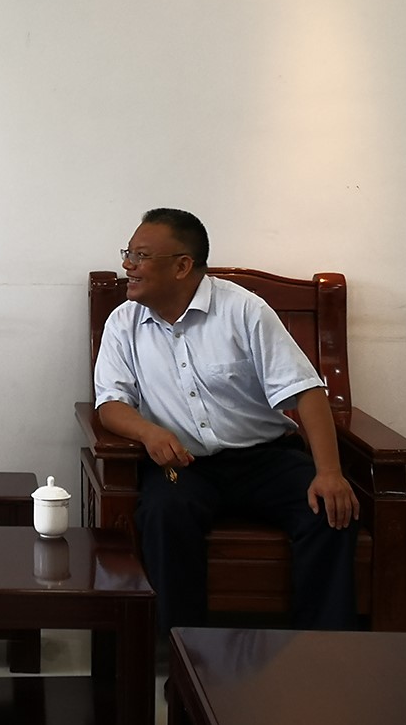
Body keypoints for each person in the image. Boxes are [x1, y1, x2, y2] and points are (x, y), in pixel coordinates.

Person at [94, 207, 358, 633]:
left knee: (329, 508)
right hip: (183, 465)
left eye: (140, 256)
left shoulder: (243, 310)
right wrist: (148, 432)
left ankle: (321, 652)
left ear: (182, 266)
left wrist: (329, 472)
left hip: (265, 459)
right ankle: (186, 654)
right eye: (129, 254)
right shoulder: (124, 323)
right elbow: (110, 403)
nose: (128, 265)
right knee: (164, 512)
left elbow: (306, 391)